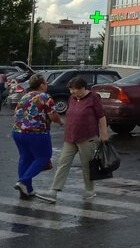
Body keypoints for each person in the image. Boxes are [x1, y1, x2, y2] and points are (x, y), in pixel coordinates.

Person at [47, 76, 109, 199]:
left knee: (87, 165)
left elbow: (101, 116)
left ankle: (89, 190)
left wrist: (104, 134)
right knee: (63, 162)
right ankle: (54, 190)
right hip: (70, 137)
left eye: (75, 89)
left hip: (88, 137)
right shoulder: (72, 98)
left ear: (83, 88)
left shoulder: (93, 98)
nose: (73, 92)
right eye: (71, 89)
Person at [12, 74, 61, 203]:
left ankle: (27, 189)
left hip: (17, 132)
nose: (47, 85)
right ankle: (23, 182)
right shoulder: (44, 97)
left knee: (25, 158)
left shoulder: (25, 96)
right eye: (46, 83)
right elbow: (53, 116)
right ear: (41, 85)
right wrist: (61, 122)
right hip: (36, 133)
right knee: (43, 157)